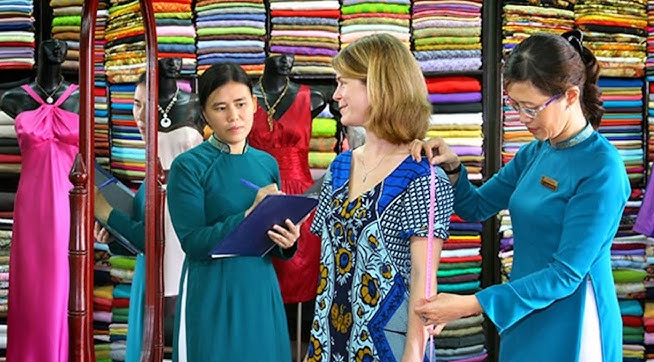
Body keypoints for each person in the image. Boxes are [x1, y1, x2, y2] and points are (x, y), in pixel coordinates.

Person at [412, 30, 629, 362]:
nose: (523, 119)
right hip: (525, 309)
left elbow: (566, 274)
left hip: (574, 320)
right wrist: (453, 167)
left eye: (531, 108)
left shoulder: (602, 169)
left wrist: (472, 304)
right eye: (516, 106)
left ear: (571, 96)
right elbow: (476, 206)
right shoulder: (535, 153)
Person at [307, 33, 454, 362]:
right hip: (329, 343)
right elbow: (327, 263)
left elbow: (423, 279)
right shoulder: (340, 166)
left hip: (388, 348)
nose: (336, 95)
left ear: (378, 86)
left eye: (344, 83)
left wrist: (413, 356)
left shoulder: (423, 178)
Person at [166, 62, 302, 361]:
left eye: (240, 104)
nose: (234, 116)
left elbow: (270, 241)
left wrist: (288, 242)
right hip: (212, 290)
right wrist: (248, 216)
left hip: (260, 288)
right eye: (220, 108)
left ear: (254, 105)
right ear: (204, 114)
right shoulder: (188, 166)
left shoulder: (267, 163)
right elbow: (193, 242)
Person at [94, 59, 202, 361]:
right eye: (136, 104)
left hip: (175, 266)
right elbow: (142, 235)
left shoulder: (175, 175)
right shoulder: (151, 172)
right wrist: (113, 234)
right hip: (148, 270)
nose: (140, 116)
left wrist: (106, 210)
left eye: (147, 105)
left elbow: (155, 236)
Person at [0, 38, 79, 362]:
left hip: (67, 202)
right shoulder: (13, 98)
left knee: (63, 284)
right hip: (31, 205)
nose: (56, 49)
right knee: (31, 287)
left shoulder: (80, 98)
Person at [248, 53, 327, 359]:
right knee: (258, 275)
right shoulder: (247, 99)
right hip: (255, 194)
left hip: (299, 199)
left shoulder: (313, 98)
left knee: (297, 275)